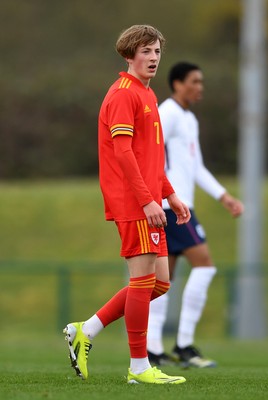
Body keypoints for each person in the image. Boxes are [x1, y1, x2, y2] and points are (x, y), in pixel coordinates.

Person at [62, 26, 191, 385]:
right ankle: (138, 368)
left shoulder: (147, 96)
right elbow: (122, 153)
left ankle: (85, 329)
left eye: (156, 51)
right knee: (141, 281)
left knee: (159, 284)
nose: (153, 58)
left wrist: (169, 194)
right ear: (128, 55)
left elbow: (149, 158)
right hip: (134, 203)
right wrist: (147, 199)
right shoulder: (123, 95)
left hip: (150, 200)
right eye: (145, 51)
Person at [147, 62, 244, 368]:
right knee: (205, 266)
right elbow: (150, 154)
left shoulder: (188, 118)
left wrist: (223, 196)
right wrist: (160, 196)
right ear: (177, 84)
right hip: (170, 207)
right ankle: (185, 345)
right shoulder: (167, 113)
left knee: (164, 279)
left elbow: (197, 166)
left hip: (180, 206)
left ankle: (152, 349)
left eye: (201, 81)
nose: (200, 87)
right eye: (194, 81)